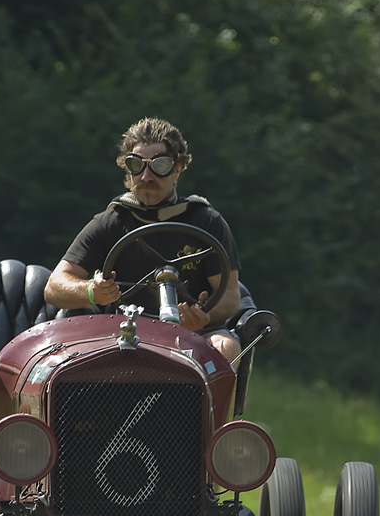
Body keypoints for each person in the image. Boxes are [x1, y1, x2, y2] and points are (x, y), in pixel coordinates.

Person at [44, 117, 243, 365]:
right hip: (123, 334)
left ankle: (205, 404)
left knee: (226, 347)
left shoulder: (206, 221)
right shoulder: (111, 222)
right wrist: (91, 292)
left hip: (195, 335)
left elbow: (231, 296)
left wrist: (203, 315)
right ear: (127, 170)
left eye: (159, 165)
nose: (147, 176)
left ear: (178, 168)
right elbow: (54, 286)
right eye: (136, 165)